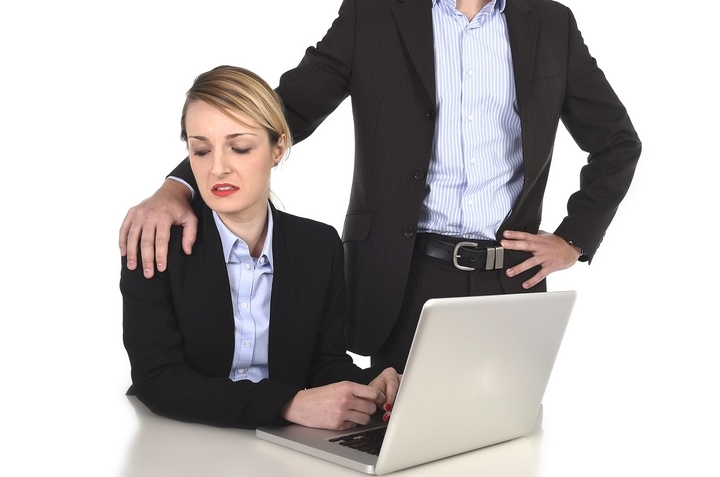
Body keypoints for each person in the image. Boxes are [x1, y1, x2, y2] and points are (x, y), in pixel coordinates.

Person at [120, 0, 641, 371]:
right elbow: (279, 114)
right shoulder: (372, 13)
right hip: (405, 275)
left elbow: (617, 142)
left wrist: (574, 239)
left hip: (511, 279)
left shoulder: (550, 22)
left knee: (506, 442)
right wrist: (178, 185)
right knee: (394, 440)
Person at [121, 65, 400, 430]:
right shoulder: (157, 243)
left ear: (278, 148)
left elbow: (324, 363)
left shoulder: (318, 246)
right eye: (201, 150)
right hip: (179, 436)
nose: (217, 168)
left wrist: (371, 383)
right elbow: (156, 379)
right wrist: (287, 404)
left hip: (278, 443)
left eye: (239, 147)